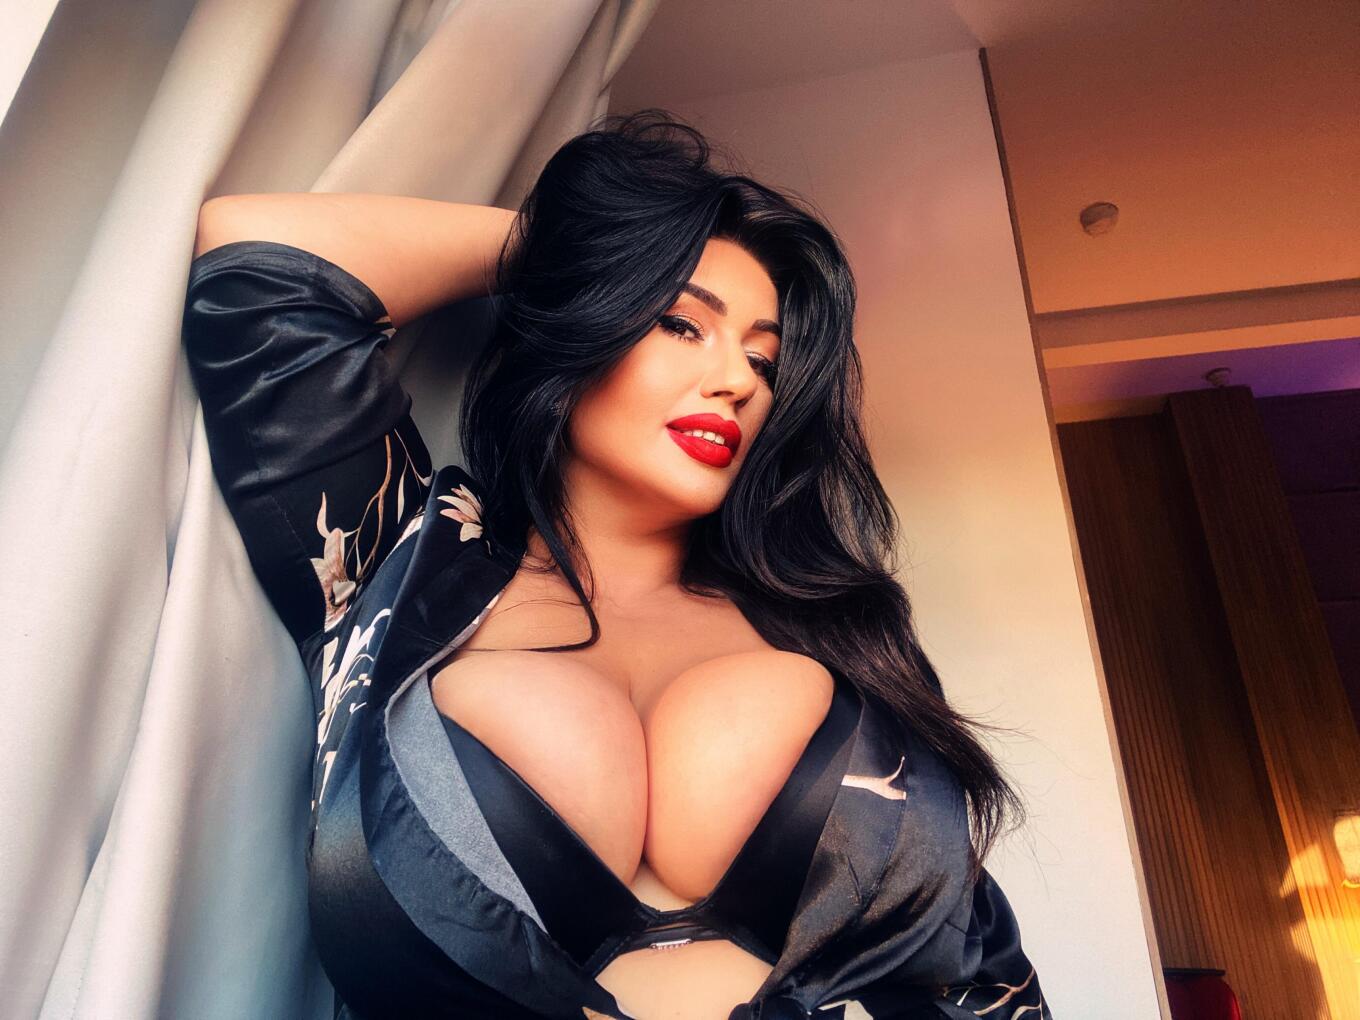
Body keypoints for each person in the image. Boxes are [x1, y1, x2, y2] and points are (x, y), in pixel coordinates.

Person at [181, 110, 1051, 1020]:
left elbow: (973, 958)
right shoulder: (402, 563)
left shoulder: (828, 618)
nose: (738, 381)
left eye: (764, 358)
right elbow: (262, 263)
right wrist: (592, 250)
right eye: (682, 323)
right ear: (585, 319)